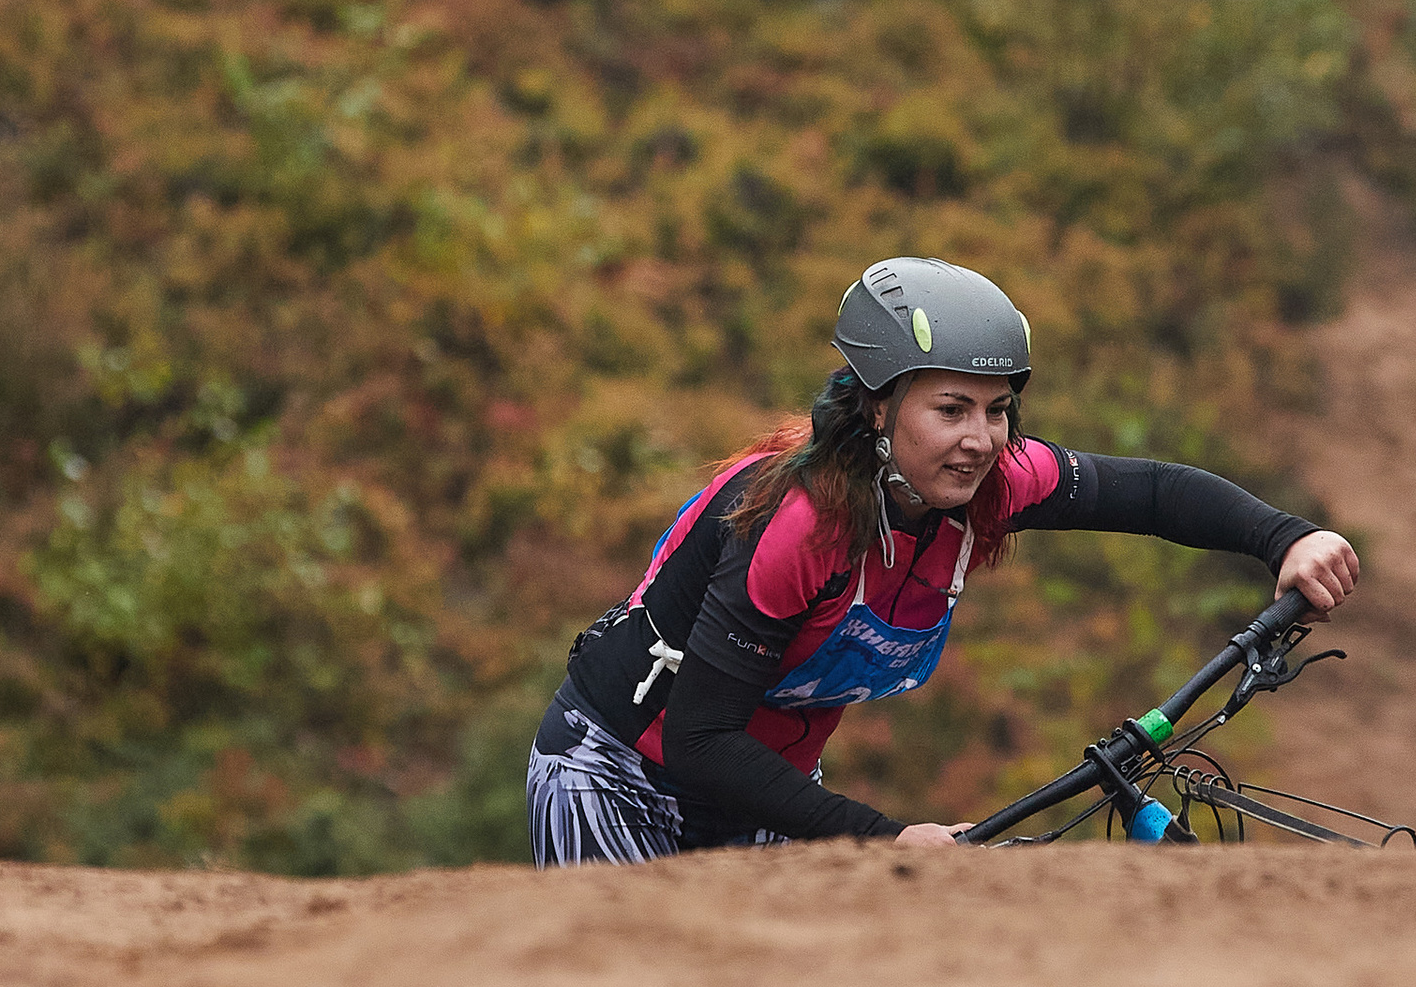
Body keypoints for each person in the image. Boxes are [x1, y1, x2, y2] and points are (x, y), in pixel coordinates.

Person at [526, 257, 1360, 866]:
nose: (980, 439)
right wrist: (888, 837)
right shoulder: (802, 522)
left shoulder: (991, 479)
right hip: (621, 773)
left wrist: (1285, 537)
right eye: (951, 409)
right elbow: (703, 736)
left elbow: (1153, 493)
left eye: (998, 411)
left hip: (768, 784)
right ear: (879, 409)